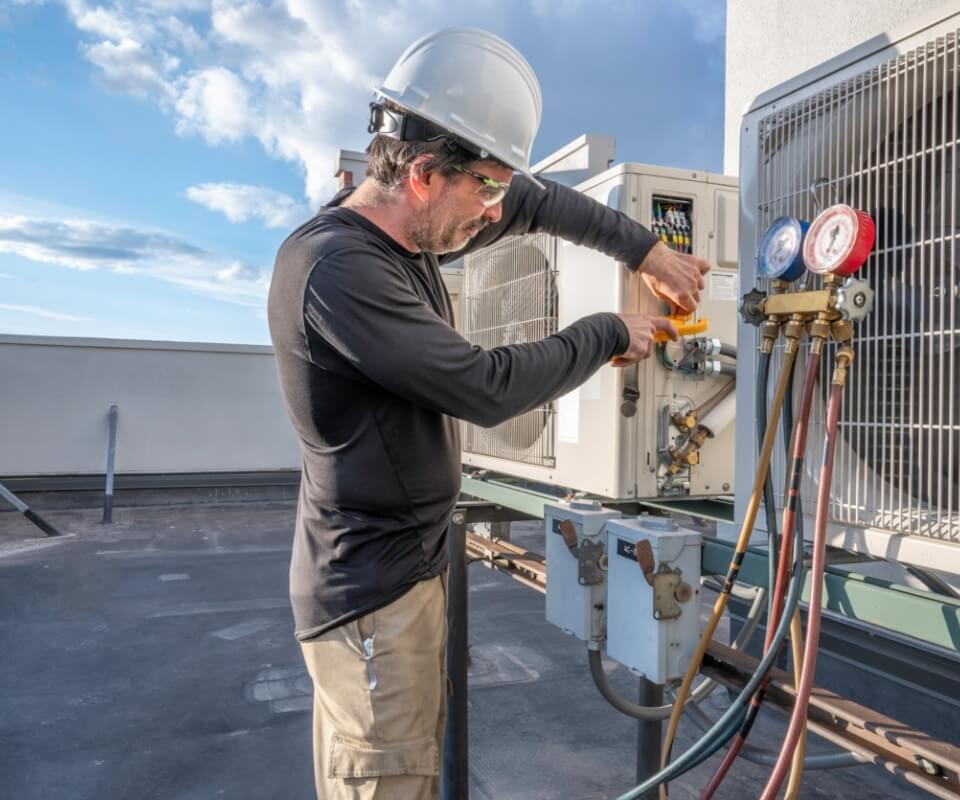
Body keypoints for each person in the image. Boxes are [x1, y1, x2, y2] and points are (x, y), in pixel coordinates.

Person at [267, 27, 710, 800]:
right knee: (385, 776)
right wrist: (607, 332)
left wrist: (646, 253)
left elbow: (540, 201)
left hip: (404, 576)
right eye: (488, 192)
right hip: (370, 595)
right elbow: (484, 387)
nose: (497, 212)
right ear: (426, 175)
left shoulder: (418, 229)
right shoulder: (337, 268)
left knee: (407, 768)